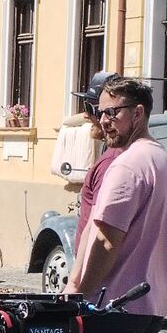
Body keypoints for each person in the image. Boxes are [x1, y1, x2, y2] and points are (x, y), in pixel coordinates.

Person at [65, 76, 167, 333]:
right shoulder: (165, 162)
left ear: (138, 113)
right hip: (150, 303)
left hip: (113, 305)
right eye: (100, 112)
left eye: (113, 112)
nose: (104, 121)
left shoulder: (127, 165)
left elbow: (105, 239)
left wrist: (80, 293)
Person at [69, 70, 118, 252]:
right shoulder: (110, 152)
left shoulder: (113, 162)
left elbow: (101, 226)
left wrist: (80, 277)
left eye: (89, 108)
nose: (85, 115)